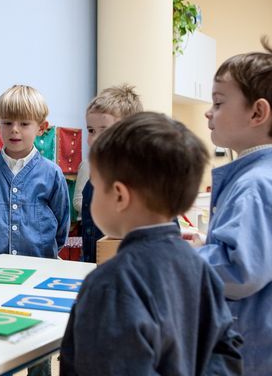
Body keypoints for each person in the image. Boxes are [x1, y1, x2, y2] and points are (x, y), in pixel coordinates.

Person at [60, 112, 243, 375]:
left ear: (120, 196)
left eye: (96, 187)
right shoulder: (200, 267)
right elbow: (227, 352)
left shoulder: (110, 284)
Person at [0, 84, 69, 376]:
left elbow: (61, 225)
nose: (15, 130)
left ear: (41, 128)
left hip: (39, 276)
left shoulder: (51, 173)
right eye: (7, 123)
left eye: (24, 124)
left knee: (37, 341)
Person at [197, 38, 272, 375]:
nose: (208, 112)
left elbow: (242, 270)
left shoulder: (255, 183)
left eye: (218, 102)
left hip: (250, 347)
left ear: (257, 112)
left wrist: (184, 258)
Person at [72, 84, 144, 263]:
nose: (94, 139)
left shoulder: (145, 182)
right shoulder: (93, 180)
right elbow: (89, 237)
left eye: (105, 131)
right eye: (91, 131)